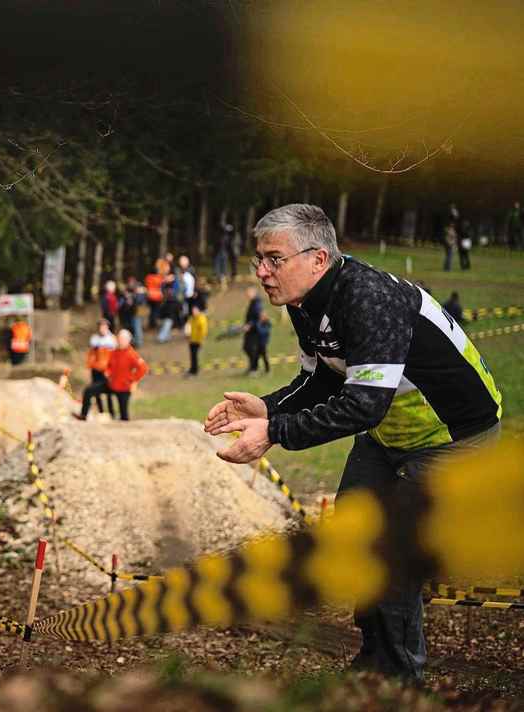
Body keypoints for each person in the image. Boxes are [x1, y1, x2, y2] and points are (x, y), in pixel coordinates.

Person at [204, 203, 502, 682]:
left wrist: (275, 433)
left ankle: (399, 682)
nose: (261, 271)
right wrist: (267, 408)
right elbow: (323, 378)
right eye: (258, 258)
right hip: (392, 431)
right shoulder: (305, 303)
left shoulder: (368, 298)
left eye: (274, 259)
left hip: (456, 437)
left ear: (318, 259)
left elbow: (362, 405)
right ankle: (374, 656)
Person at [103, 329, 149, 421]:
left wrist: (133, 380)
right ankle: (85, 415)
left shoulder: (132, 354)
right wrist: (108, 372)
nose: (120, 341)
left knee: (124, 414)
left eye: (123, 339)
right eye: (119, 338)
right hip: (112, 384)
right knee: (91, 390)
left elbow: (144, 368)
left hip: (124, 387)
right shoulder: (114, 352)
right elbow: (109, 365)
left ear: (128, 341)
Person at [84, 318, 117, 417]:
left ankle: (111, 412)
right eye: (101, 327)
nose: (102, 329)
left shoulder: (112, 339)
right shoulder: (94, 338)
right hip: (96, 369)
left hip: (106, 370)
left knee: (108, 391)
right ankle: (101, 411)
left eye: (104, 327)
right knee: (95, 391)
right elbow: (92, 351)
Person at [242, 286, 263, 374]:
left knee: (252, 349)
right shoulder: (252, 302)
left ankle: (254, 369)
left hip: (255, 330)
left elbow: (258, 318)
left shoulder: (257, 304)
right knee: (246, 348)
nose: (247, 295)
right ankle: (252, 367)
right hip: (250, 330)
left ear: (254, 293)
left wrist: (250, 325)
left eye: (248, 293)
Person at [118, 278, 143, 348]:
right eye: (130, 283)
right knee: (128, 328)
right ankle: (130, 342)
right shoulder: (124, 292)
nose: (131, 284)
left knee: (137, 328)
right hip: (126, 314)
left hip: (135, 313)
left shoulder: (138, 292)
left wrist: (134, 297)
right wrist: (126, 299)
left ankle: (138, 342)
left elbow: (140, 301)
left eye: (132, 283)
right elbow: (120, 304)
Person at [144, 259, 166, 330]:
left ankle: (151, 323)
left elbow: (146, 285)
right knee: (155, 310)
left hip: (149, 295)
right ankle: (154, 323)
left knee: (151, 310)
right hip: (157, 296)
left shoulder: (148, 277)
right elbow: (162, 285)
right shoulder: (159, 278)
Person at [187, 303, 208, 375]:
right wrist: (187, 334)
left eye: (195, 310)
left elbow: (203, 331)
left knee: (194, 355)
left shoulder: (202, 319)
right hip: (191, 340)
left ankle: (194, 371)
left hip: (198, 340)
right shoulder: (191, 318)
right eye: (193, 310)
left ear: (199, 310)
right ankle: (192, 369)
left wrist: (201, 340)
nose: (194, 312)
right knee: (192, 355)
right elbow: (188, 326)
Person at [443, 204, 459, 272]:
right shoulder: (450, 229)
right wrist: (452, 243)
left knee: (448, 256)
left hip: (448, 242)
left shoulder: (448, 228)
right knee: (449, 256)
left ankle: (446, 268)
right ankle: (448, 268)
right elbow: (450, 237)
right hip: (449, 243)